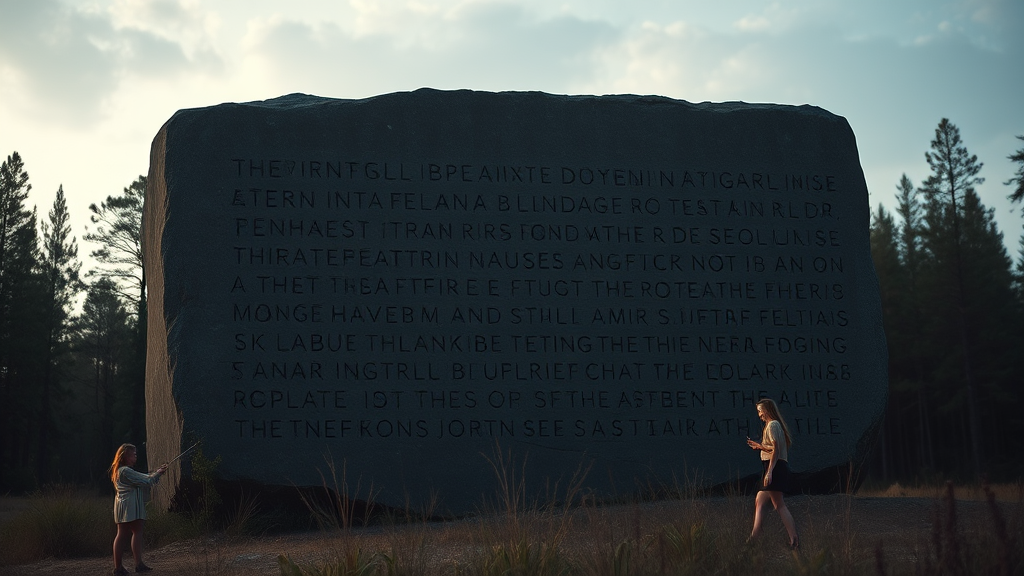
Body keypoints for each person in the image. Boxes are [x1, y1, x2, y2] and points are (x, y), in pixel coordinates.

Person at [746, 398, 799, 549]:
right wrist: (759, 447)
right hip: (773, 466)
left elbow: (776, 450)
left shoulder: (773, 425)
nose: (759, 414)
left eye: (760, 411)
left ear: (767, 410)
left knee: (779, 504)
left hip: (775, 467)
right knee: (760, 499)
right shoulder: (771, 426)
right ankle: (754, 537)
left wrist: (769, 472)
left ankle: (794, 540)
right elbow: (773, 448)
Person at [109, 443, 167, 575]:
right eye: (133, 454)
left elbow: (143, 478)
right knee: (131, 533)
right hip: (130, 505)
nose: (136, 456)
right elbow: (147, 480)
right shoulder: (125, 471)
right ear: (126, 456)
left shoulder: (121, 471)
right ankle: (123, 567)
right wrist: (158, 473)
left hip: (123, 505)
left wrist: (156, 473)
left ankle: (129, 565)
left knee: (127, 533)